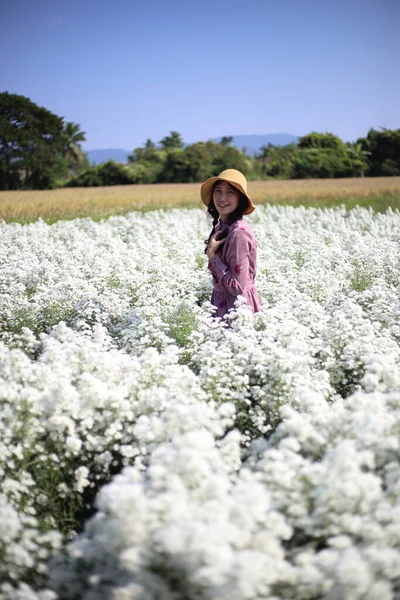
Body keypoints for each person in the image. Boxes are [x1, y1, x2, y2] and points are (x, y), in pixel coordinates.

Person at [201, 169, 261, 318]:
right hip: (224, 304)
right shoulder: (223, 226)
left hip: (236, 309)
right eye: (218, 191)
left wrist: (212, 256)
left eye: (230, 192)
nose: (222, 198)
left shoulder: (238, 233)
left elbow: (237, 288)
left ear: (240, 198)